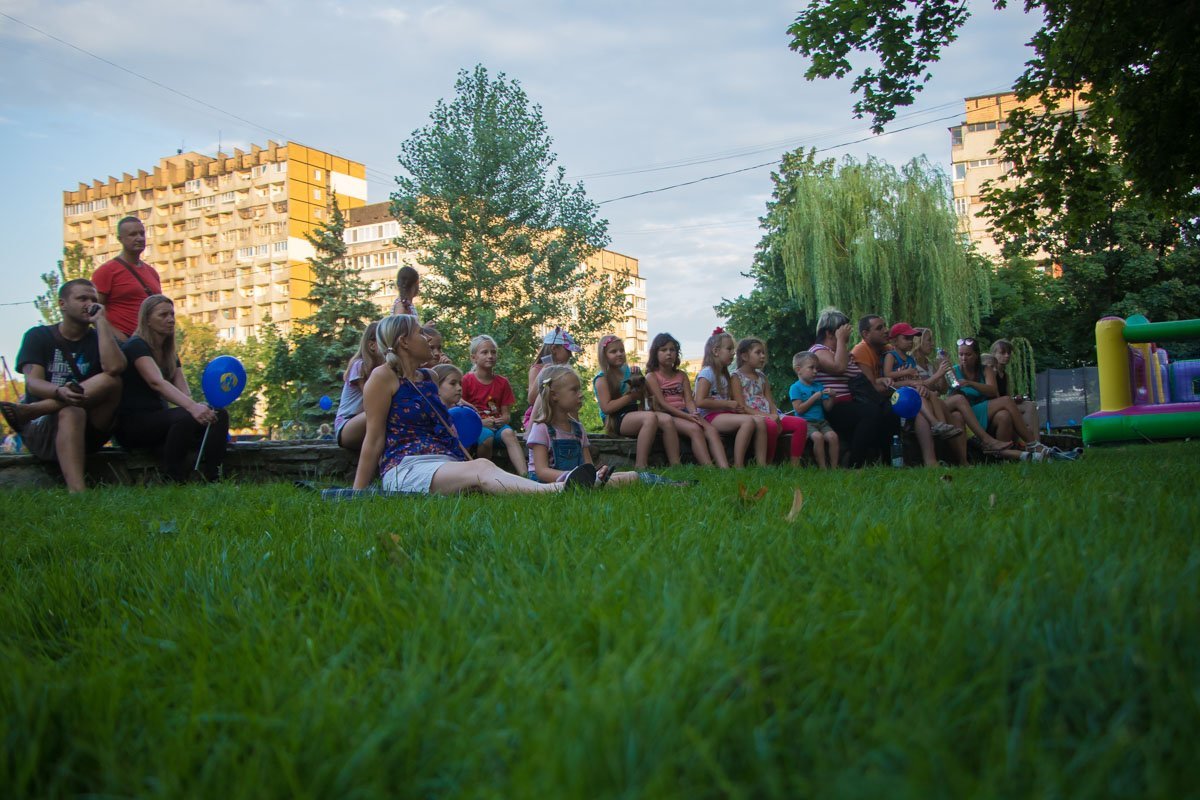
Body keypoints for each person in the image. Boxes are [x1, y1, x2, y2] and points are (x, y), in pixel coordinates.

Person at [352, 315, 598, 493]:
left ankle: (573, 482)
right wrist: (357, 493)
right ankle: (557, 490)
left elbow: (447, 427)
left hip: (444, 462)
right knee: (481, 468)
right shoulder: (382, 377)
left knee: (482, 468)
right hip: (407, 466)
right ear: (404, 342)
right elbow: (373, 439)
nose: (427, 339)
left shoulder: (429, 378)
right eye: (420, 333)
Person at [2, 279, 125, 492]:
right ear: (62, 304)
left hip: (89, 431)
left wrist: (102, 323)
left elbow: (114, 368)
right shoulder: (38, 336)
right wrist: (60, 392)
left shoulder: (100, 338)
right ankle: (78, 492)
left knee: (112, 380)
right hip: (44, 430)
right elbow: (33, 383)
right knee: (71, 410)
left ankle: (35, 409)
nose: (89, 304)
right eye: (82, 298)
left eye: (94, 300)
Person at [114, 295, 228, 482]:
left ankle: (214, 475)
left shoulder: (169, 352)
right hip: (134, 423)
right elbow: (156, 382)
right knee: (185, 416)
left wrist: (200, 408)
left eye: (172, 314)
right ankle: (174, 477)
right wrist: (192, 408)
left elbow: (183, 391)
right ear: (147, 320)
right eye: (163, 315)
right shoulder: (136, 346)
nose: (171, 319)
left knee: (219, 414)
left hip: (160, 419)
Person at [527, 364, 637, 486]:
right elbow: (541, 472)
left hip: (575, 481)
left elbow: (588, 466)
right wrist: (571, 477)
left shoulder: (578, 429)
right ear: (554, 395)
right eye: (574, 390)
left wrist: (596, 475)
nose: (581, 394)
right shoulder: (541, 428)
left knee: (629, 475)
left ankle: (649, 478)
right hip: (546, 484)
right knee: (619, 481)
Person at [806, 309, 890, 468]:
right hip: (833, 406)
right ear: (831, 333)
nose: (849, 334)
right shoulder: (817, 351)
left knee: (889, 410)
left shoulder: (839, 351)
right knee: (870, 412)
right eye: (844, 330)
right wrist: (841, 341)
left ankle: (890, 460)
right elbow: (839, 368)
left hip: (853, 402)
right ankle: (855, 464)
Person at [594, 333, 681, 469]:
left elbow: (643, 393)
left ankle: (676, 464)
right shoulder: (602, 379)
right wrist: (630, 397)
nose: (619, 354)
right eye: (613, 351)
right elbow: (607, 408)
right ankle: (641, 465)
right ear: (604, 355)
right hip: (615, 419)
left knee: (667, 420)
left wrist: (639, 379)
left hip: (633, 412)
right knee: (650, 418)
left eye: (621, 350)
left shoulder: (628, 372)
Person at [949, 337, 1048, 456]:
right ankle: (1032, 442)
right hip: (967, 412)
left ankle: (1003, 454)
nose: (963, 358)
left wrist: (971, 383)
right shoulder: (953, 371)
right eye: (961, 354)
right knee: (1006, 401)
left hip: (983, 410)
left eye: (968, 354)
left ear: (976, 355)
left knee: (1004, 415)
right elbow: (945, 390)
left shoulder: (986, 370)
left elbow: (992, 390)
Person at [644, 332, 728, 468]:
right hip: (668, 414)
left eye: (672, 350)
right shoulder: (651, 376)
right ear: (655, 353)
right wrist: (688, 417)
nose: (669, 353)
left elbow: (689, 400)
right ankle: (709, 467)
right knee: (695, 429)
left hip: (686, 412)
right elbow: (662, 404)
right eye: (663, 350)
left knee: (711, 429)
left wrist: (694, 413)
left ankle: (724, 468)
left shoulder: (681, 375)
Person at [693, 328, 765, 468]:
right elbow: (700, 401)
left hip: (723, 414)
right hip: (710, 416)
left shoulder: (725, 374)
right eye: (729, 349)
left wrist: (734, 406)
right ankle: (738, 465)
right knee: (748, 422)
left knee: (759, 420)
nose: (733, 353)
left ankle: (763, 463)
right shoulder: (707, 373)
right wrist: (727, 404)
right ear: (716, 351)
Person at [734, 337, 809, 465]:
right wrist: (769, 417)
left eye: (763, 353)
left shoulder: (762, 377)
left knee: (801, 423)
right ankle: (768, 462)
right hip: (754, 416)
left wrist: (775, 415)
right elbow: (742, 406)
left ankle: (794, 464)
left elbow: (770, 400)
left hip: (771, 414)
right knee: (771, 425)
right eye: (758, 353)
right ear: (745, 356)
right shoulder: (736, 377)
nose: (763, 356)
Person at [883, 322, 961, 440]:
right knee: (920, 397)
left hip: (910, 390)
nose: (910, 341)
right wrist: (906, 373)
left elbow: (917, 379)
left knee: (933, 395)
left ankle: (942, 425)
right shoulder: (891, 356)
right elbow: (887, 374)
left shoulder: (910, 360)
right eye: (906, 338)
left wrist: (920, 383)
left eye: (911, 338)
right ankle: (935, 424)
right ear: (894, 341)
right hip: (899, 395)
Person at [461, 334, 526, 474]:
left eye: (493, 352)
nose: (490, 356)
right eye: (484, 352)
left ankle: (525, 474)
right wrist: (481, 422)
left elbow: (506, 415)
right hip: (478, 427)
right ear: (474, 358)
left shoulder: (502, 382)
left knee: (509, 433)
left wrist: (502, 420)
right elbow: (461, 411)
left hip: (498, 427)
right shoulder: (466, 380)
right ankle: (485, 475)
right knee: (487, 438)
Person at [91, 216, 162, 341]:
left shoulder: (152, 272)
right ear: (120, 239)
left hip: (152, 344)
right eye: (132, 234)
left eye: (142, 233)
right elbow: (94, 312)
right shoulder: (107, 271)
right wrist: (120, 339)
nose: (139, 238)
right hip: (124, 344)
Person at [334, 322, 383, 454]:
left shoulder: (381, 370)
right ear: (372, 345)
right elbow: (371, 401)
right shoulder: (359, 365)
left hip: (365, 422)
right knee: (381, 412)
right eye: (386, 341)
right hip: (347, 425)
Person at [523, 327, 581, 430]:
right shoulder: (537, 369)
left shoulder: (565, 372)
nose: (570, 355)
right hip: (541, 414)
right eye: (568, 351)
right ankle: (530, 434)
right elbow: (531, 399)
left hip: (561, 413)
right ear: (554, 348)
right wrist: (543, 374)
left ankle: (579, 433)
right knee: (545, 392)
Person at [789, 352, 839, 469]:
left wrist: (832, 397)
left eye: (817, 368)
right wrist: (814, 397)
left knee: (833, 437)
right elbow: (799, 410)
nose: (815, 371)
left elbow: (827, 407)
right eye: (811, 368)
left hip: (821, 422)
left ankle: (834, 467)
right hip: (806, 423)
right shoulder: (795, 388)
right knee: (818, 437)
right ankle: (823, 468)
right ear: (798, 370)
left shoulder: (819, 386)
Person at [990, 338, 1041, 435]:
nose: (1007, 355)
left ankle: (1035, 440)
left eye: (1009, 353)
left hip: (1005, 404)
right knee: (1029, 407)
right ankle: (1029, 439)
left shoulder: (1006, 375)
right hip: (994, 406)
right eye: (1002, 353)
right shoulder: (991, 373)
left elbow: (1008, 396)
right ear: (994, 354)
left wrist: (1015, 398)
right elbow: (995, 396)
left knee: (1031, 405)